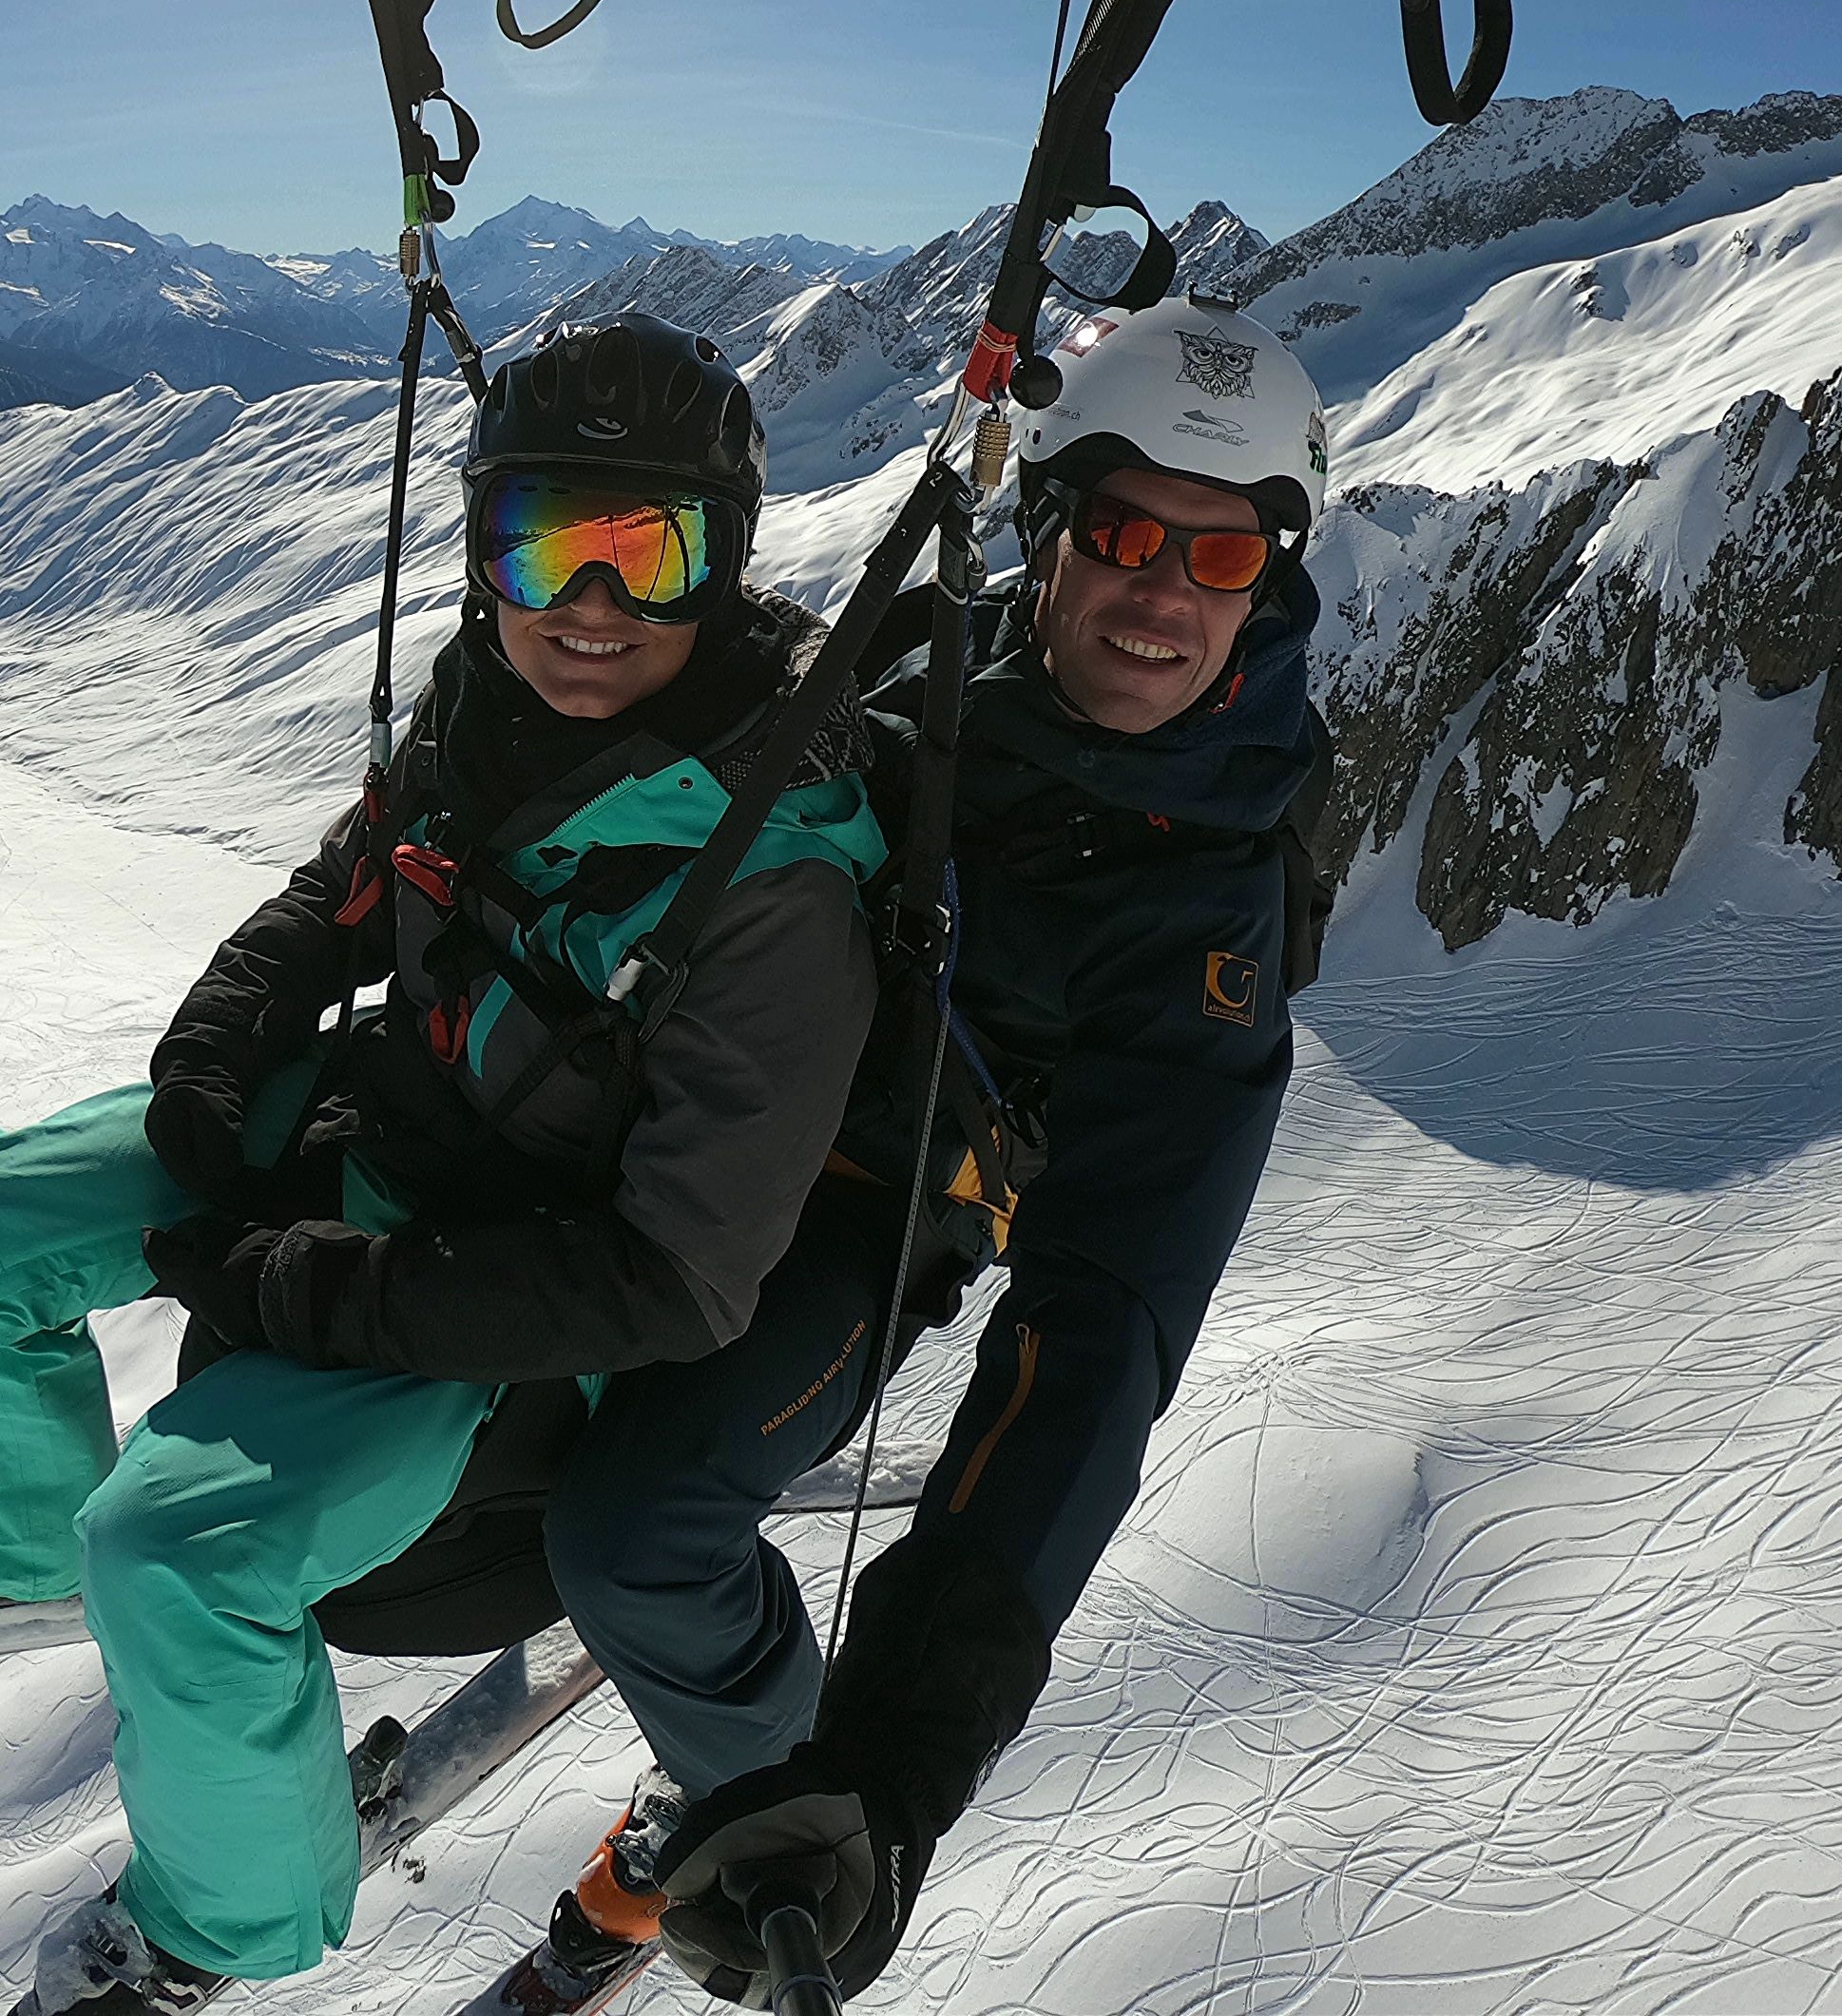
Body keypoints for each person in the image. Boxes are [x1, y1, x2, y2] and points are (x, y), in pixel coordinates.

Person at [0, 311, 891, 2015]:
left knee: (174, 1556)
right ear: (481, 544)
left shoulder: (771, 885)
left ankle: (225, 1922)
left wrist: (317, 1290)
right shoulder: (479, 705)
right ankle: (3, 1540)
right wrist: (235, 1019)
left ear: (722, 567)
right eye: (540, 542)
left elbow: (674, 1274)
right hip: (379, 1137)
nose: (587, 606)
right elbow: (351, 880)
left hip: (502, 1298)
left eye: (646, 553)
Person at [516, 297, 1336, 2008]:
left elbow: (1100, 1327)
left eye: (1224, 554)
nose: (1162, 592)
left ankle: (750, 1784)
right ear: (1047, 531)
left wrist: (894, 1767)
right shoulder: (920, 659)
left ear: (1276, 578)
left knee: (638, 1533)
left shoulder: (1209, 925)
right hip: (654, 1100)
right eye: (1122, 531)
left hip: (857, 1216)